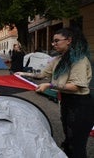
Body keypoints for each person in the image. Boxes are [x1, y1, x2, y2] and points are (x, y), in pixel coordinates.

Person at [16, 27, 94, 158]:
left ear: (69, 40)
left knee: (77, 144)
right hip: (66, 102)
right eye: (53, 41)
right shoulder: (57, 60)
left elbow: (75, 86)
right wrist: (22, 73)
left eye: (57, 41)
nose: (53, 44)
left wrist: (50, 85)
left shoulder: (79, 59)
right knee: (69, 139)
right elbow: (41, 75)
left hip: (81, 105)